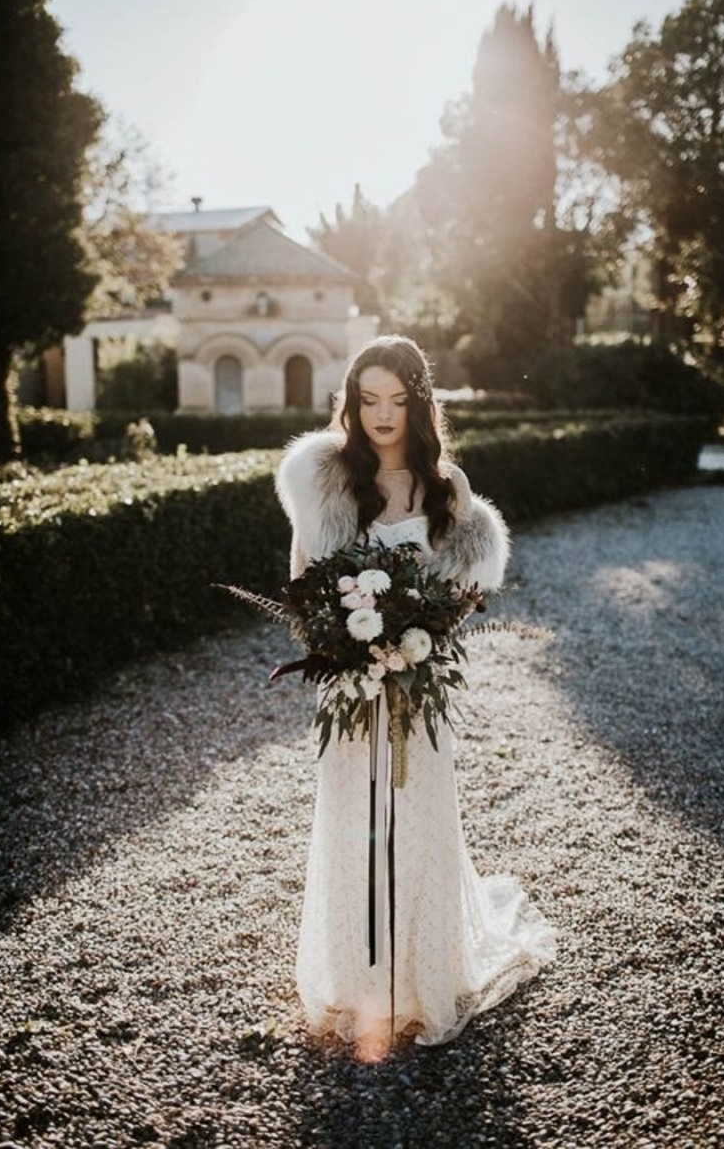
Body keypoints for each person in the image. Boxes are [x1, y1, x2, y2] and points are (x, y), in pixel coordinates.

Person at [275, 335, 555, 1061]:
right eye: (368, 400)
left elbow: (464, 590)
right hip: (349, 685)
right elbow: (303, 578)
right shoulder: (328, 480)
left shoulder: (445, 485)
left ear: (419, 403)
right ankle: (359, 983)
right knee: (352, 821)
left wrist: (419, 640)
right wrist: (344, 644)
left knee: (418, 820)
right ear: (351, 402)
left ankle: (421, 984)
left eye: (396, 400)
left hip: (418, 688)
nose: (381, 414)